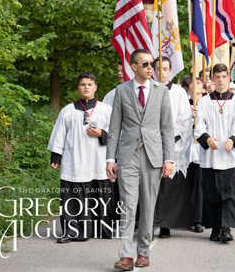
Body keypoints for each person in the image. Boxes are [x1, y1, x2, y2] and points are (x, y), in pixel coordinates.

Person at [106, 49, 174, 271]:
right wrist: (110, 158)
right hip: (128, 156)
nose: (150, 68)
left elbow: (167, 128)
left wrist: (169, 158)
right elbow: (114, 128)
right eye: (145, 64)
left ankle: (143, 252)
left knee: (147, 205)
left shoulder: (161, 90)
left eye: (151, 64)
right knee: (127, 205)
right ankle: (125, 255)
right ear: (133, 67)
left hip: (153, 156)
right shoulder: (121, 91)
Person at [48, 72, 116, 243]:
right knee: (73, 197)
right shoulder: (68, 111)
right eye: (82, 84)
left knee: (101, 196)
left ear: (95, 87)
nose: (86, 87)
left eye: (89, 84)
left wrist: (102, 133)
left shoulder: (106, 110)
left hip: (98, 160)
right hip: (75, 160)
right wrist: (56, 156)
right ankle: (73, 231)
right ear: (78, 88)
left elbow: (117, 134)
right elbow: (59, 134)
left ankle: (102, 229)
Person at [194, 63, 235, 243]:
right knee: (212, 193)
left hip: (229, 155)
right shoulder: (205, 101)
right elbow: (200, 126)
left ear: (228, 78)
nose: (220, 80)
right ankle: (215, 228)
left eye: (223, 77)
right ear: (212, 79)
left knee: (229, 192)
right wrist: (206, 138)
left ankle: (226, 228)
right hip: (211, 155)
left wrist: (234, 140)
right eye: (217, 77)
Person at [153, 57, 194, 239]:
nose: (162, 72)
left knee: (169, 186)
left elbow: (185, 118)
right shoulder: (148, 90)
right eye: (158, 68)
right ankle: (149, 220)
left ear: (170, 71)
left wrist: (170, 135)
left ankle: (165, 224)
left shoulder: (178, 93)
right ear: (153, 70)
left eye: (165, 68)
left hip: (173, 143)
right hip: (151, 143)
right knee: (152, 184)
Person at [186, 77, 206, 233]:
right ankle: (183, 217)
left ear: (204, 89)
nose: (194, 84)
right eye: (192, 82)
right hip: (185, 149)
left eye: (198, 83)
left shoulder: (207, 104)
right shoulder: (183, 102)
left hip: (200, 150)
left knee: (199, 185)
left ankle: (198, 219)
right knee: (184, 185)